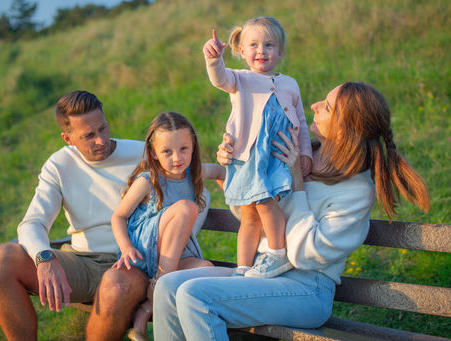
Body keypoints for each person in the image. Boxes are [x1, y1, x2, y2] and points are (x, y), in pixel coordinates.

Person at [152, 82, 430, 340]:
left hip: (307, 290)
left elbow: (305, 255)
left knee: (195, 296)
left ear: (345, 128)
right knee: (167, 288)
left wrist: (297, 184)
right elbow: (251, 215)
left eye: (328, 106)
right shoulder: (298, 152)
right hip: (263, 271)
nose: (314, 106)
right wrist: (237, 164)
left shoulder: (356, 191)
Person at [0, 90, 209, 341]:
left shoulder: (146, 153)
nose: (101, 140)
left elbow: (195, 192)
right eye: (88, 135)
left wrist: (167, 250)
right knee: (2, 259)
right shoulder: (59, 164)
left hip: (134, 264)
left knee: (115, 284)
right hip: (81, 262)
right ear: (68, 138)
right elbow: (33, 221)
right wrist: (44, 258)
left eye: (103, 128)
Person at [203, 16, 313, 278]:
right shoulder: (239, 79)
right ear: (241, 51)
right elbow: (219, 78)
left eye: (269, 45)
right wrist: (214, 59)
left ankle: (277, 253)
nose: (261, 51)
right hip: (246, 156)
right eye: (253, 45)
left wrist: (306, 152)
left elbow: (302, 124)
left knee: (264, 203)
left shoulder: (290, 84)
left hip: (275, 156)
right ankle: (242, 266)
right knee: (248, 213)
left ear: (280, 51)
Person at [112, 112, 224, 341]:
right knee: (186, 208)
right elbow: (119, 217)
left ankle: (145, 316)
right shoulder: (148, 180)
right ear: (153, 153)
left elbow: (222, 171)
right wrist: (125, 247)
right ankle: (158, 286)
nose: (177, 158)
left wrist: (238, 206)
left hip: (172, 256)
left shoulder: (194, 173)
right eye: (167, 151)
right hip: (144, 249)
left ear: (193, 147)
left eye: (184, 148)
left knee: (205, 269)